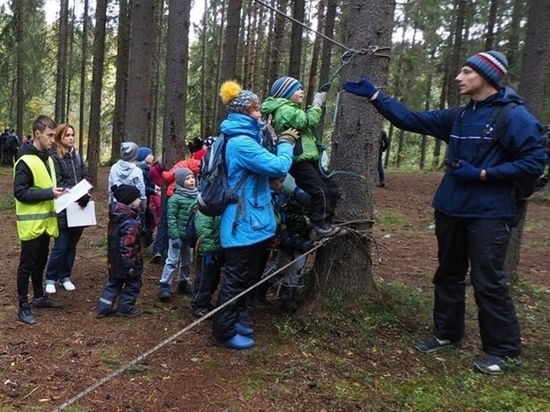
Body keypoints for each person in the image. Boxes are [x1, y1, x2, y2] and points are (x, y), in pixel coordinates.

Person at [343, 50, 547, 375]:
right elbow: (410, 119)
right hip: (451, 207)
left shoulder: (513, 116)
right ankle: (447, 334)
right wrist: (377, 96)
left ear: (488, 76)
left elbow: (535, 162)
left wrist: (483, 175)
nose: (458, 77)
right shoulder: (459, 116)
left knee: (488, 280)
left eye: (466, 72)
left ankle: (504, 351)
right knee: (448, 273)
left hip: (489, 213)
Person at [212, 80, 296, 350]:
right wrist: (286, 142)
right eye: (256, 109)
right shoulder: (241, 144)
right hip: (241, 224)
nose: (260, 114)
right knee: (236, 279)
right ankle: (223, 331)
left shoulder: (239, 139)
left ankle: (234, 319)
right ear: (244, 112)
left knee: (244, 278)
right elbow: (278, 165)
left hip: (247, 220)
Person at [261, 76, 340, 241]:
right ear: (285, 93)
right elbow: (308, 120)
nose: (301, 91)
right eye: (297, 89)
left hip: (309, 158)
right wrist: (317, 103)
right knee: (319, 191)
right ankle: (319, 226)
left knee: (331, 189)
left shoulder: (291, 108)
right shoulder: (284, 110)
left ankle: (327, 222)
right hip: (299, 161)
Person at [13, 115, 64, 324]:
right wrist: (48, 193)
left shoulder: (49, 159)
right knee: (27, 264)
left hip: (46, 223)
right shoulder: (25, 161)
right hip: (31, 224)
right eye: (50, 135)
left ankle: (39, 297)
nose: (53, 139)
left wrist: (61, 192)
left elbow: (49, 185)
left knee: (40, 262)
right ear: (37, 134)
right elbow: (20, 193)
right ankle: (23, 306)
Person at [45, 124, 93, 293]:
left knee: (72, 246)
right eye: (67, 135)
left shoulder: (77, 156)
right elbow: (58, 182)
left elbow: (86, 177)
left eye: (72, 135)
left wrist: (87, 193)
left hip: (79, 209)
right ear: (59, 137)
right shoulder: (53, 158)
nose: (71, 138)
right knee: (60, 246)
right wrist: (76, 194)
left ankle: (65, 276)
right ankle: (51, 278)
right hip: (63, 208)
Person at [257, 185, 313, 313]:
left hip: (303, 244)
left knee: (297, 268)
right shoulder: (286, 211)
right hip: (287, 244)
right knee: (281, 267)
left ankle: (287, 296)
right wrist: (297, 243)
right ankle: (262, 286)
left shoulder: (312, 212)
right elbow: (284, 232)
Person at [97, 184, 144, 318]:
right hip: (127, 262)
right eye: (137, 197)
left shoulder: (116, 217)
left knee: (113, 283)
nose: (140, 200)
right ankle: (125, 308)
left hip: (114, 260)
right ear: (129, 200)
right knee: (133, 284)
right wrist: (130, 263)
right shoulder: (130, 223)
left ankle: (103, 307)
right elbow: (126, 246)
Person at [158, 168, 198, 301]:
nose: (191, 180)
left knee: (187, 261)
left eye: (192, 177)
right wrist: (174, 236)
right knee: (172, 261)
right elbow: (171, 218)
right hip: (177, 236)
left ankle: (183, 282)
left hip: (189, 236)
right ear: (181, 182)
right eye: (187, 178)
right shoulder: (175, 199)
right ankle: (164, 284)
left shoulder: (197, 196)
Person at [191, 211, 223, 318]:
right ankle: (198, 304)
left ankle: (206, 301)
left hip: (216, 250)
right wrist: (209, 249)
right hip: (206, 252)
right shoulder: (205, 210)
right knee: (204, 279)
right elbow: (204, 231)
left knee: (213, 279)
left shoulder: (219, 208)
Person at [137, 146, 158, 247]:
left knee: (149, 220)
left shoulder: (145, 169)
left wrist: (154, 187)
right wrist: (153, 190)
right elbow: (143, 186)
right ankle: (144, 243)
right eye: (149, 154)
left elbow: (148, 183)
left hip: (145, 199)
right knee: (146, 221)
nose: (152, 156)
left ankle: (146, 243)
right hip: (141, 201)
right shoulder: (141, 169)